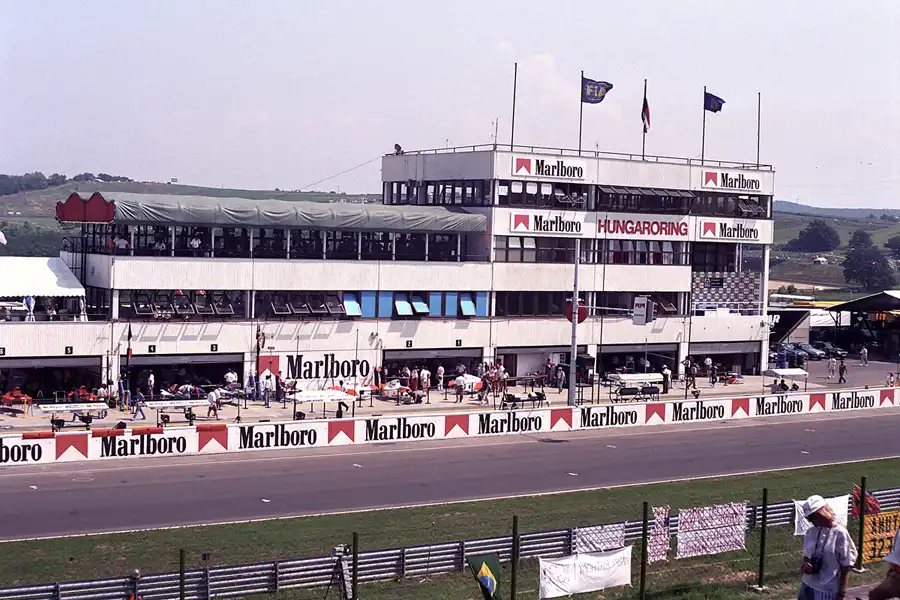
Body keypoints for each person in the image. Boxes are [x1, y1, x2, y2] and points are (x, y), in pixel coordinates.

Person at [798, 494, 857, 600]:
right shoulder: (811, 532)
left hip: (827, 589)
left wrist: (842, 593)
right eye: (808, 518)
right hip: (807, 584)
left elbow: (846, 565)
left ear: (821, 513)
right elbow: (806, 555)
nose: (809, 520)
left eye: (811, 517)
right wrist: (806, 564)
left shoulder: (840, 533)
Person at [869, 519, 900, 599]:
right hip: (896, 573)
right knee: (874, 595)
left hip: (897, 576)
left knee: (875, 595)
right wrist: (892, 568)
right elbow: (896, 549)